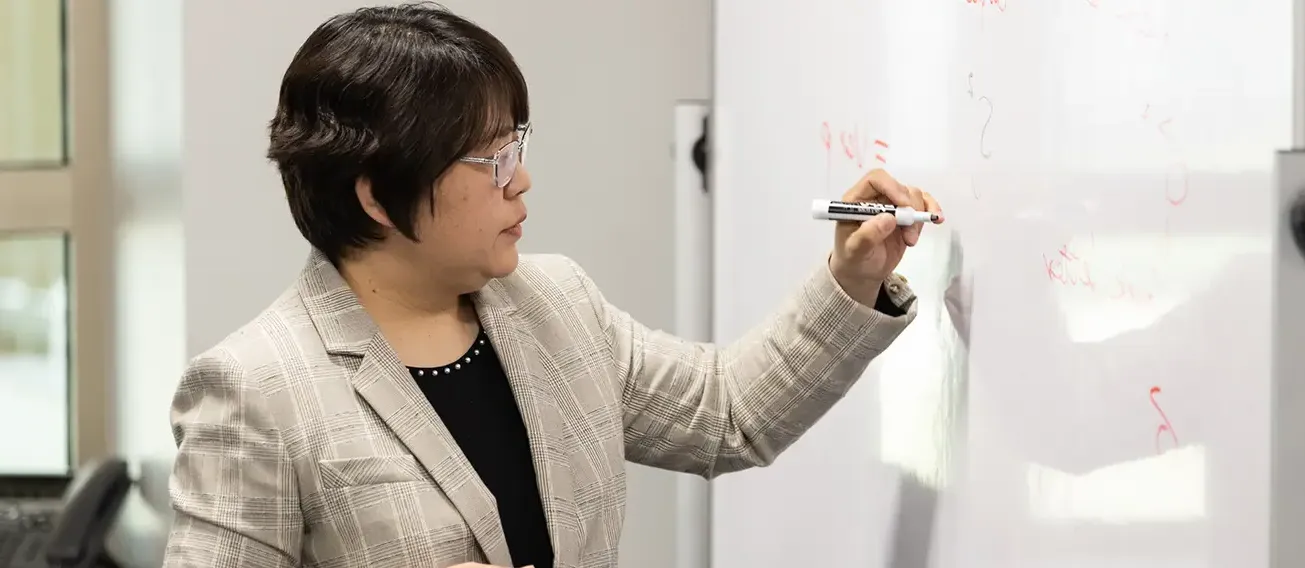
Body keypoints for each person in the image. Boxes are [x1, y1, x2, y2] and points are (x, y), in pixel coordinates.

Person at [161, 4, 942, 568]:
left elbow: (728, 415)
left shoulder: (555, 303)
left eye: (518, 146)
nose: (522, 180)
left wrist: (853, 276)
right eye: (493, 158)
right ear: (377, 195)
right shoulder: (255, 389)